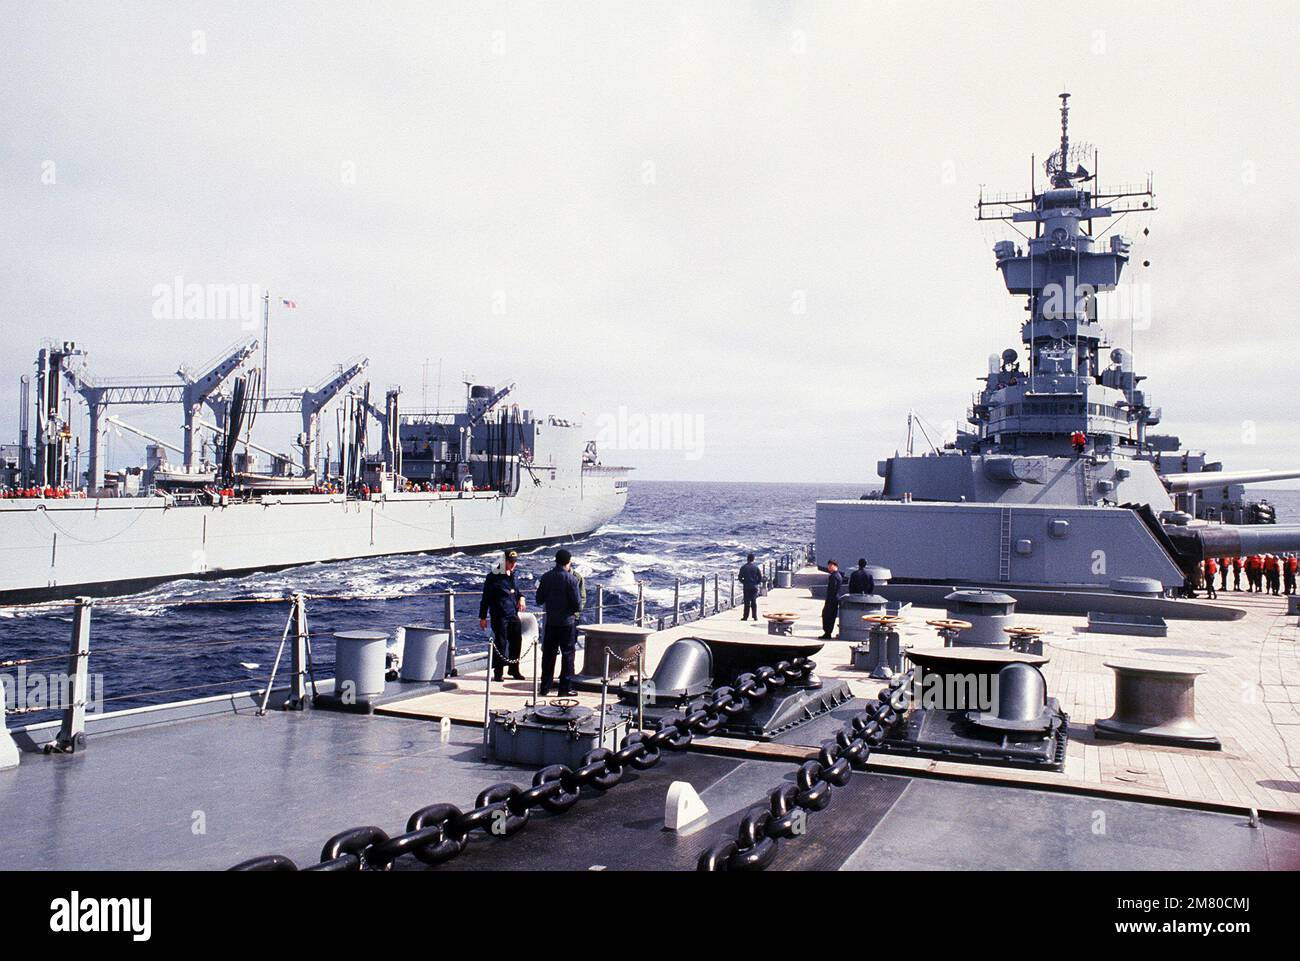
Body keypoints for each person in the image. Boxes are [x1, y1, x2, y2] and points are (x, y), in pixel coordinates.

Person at [535, 548, 583, 696]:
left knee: (548, 655)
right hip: (567, 623)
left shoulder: (546, 577)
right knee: (567, 654)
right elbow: (577, 605)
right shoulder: (572, 580)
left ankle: (545, 686)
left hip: (551, 622)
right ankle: (564, 689)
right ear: (568, 562)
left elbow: (539, 599)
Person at [479, 548, 526, 682]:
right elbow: (485, 598)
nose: (513, 564)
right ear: (504, 561)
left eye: (515, 562)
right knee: (501, 643)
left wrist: (522, 597)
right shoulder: (493, 577)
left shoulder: (513, 575)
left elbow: (516, 591)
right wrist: (482, 617)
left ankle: (514, 669)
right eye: (511, 562)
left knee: (517, 641)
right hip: (499, 615)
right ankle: (498, 672)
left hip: (512, 614)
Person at [819, 560, 844, 639]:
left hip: (831, 599)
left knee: (827, 616)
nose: (828, 567)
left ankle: (827, 632)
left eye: (830, 565)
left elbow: (832, 589)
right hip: (835, 598)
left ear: (835, 566)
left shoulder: (833, 576)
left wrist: (829, 598)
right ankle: (828, 632)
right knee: (831, 616)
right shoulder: (839, 575)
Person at [738, 553, 763, 622]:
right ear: (753, 559)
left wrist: (744, 582)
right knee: (754, 601)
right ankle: (755, 617)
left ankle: (745, 617)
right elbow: (760, 578)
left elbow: (740, 577)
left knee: (746, 602)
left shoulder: (743, 567)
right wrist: (756, 583)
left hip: (746, 587)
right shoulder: (756, 567)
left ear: (747, 559)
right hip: (754, 587)